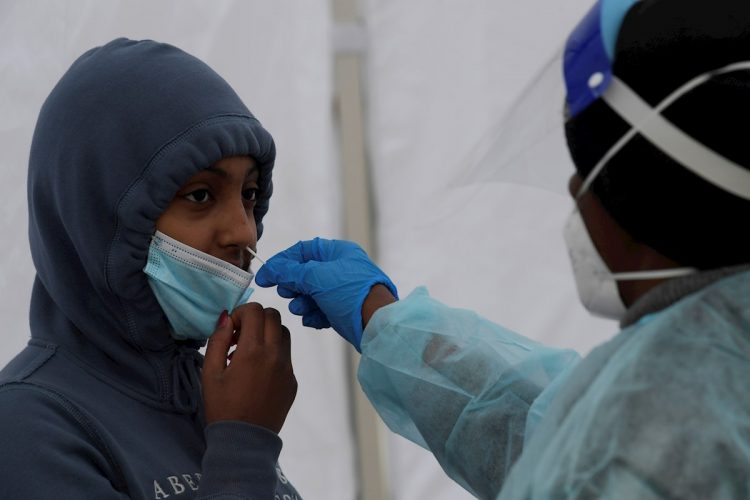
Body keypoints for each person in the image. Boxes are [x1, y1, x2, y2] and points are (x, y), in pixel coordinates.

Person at [254, 0, 750, 498]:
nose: (575, 191)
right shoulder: (704, 383)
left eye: (587, 174)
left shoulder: (668, 431)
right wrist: (382, 319)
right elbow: (547, 433)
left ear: (641, 203)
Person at [0, 38, 301, 499]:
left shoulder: (214, 395)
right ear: (97, 214)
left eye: (250, 195)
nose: (245, 232)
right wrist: (241, 449)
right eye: (200, 195)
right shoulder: (26, 428)